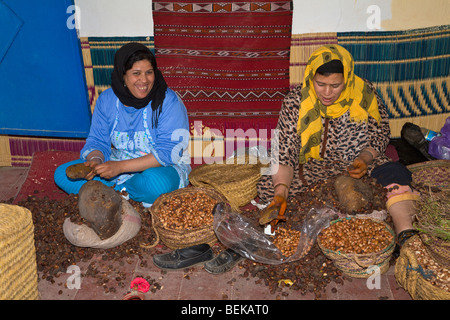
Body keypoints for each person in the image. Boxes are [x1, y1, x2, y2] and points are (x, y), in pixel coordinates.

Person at [257, 44, 420, 248]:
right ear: (311, 78)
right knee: (267, 185)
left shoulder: (364, 94)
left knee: (395, 173)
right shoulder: (295, 102)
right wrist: (280, 193)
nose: (327, 92)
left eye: (335, 85)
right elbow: (285, 152)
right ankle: (350, 218)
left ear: (347, 79)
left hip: (356, 163)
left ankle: (407, 236)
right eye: (320, 84)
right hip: (312, 167)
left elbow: (379, 135)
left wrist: (364, 159)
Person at [54, 42, 191, 207]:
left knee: (157, 184)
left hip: (160, 168)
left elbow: (168, 152)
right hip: (117, 166)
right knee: (62, 175)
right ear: (123, 75)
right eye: (136, 73)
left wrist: (121, 167)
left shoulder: (167, 101)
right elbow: (97, 141)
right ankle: (122, 192)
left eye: (149, 72)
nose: (144, 80)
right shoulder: (107, 100)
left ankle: (108, 193)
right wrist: (95, 161)